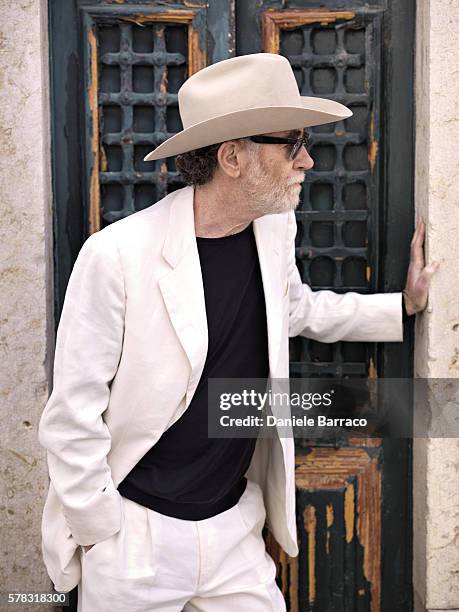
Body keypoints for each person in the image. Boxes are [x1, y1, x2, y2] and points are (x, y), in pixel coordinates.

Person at [38, 53, 439, 611]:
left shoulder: (273, 228)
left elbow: (294, 308)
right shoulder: (116, 256)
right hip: (136, 537)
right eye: (292, 143)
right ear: (232, 157)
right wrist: (102, 528)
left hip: (234, 530)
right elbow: (72, 414)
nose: (307, 160)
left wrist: (403, 306)